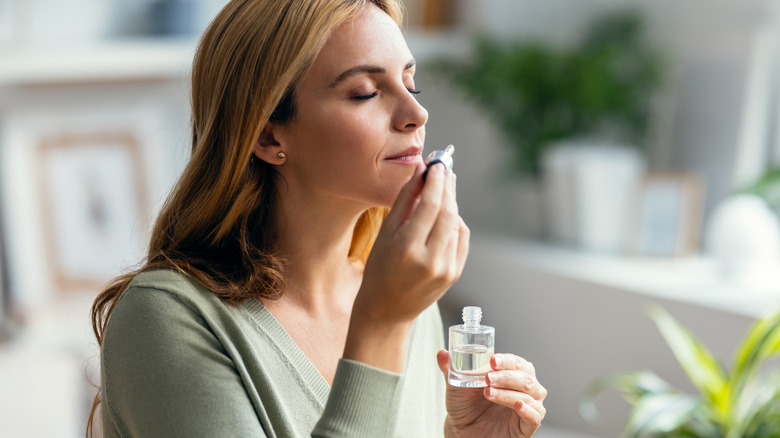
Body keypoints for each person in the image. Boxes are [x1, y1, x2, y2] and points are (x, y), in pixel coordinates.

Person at [88, 0, 547, 436]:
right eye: (365, 93)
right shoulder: (166, 320)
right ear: (268, 135)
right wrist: (381, 323)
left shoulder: (411, 301)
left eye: (411, 84)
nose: (417, 113)